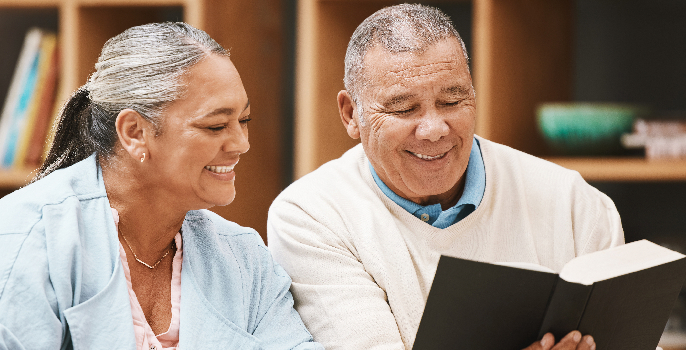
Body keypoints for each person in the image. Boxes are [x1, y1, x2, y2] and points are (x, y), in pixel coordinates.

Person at [0, 23, 321, 350]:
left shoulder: (243, 258)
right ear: (135, 132)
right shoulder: (15, 247)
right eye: (216, 125)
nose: (241, 144)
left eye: (243, 121)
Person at [267, 4, 623, 350]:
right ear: (350, 114)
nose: (434, 129)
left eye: (453, 101)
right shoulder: (311, 216)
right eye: (404, 109)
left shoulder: (573, 202)